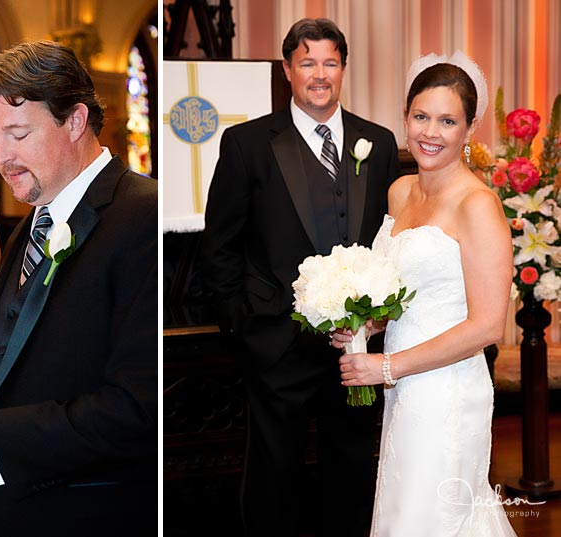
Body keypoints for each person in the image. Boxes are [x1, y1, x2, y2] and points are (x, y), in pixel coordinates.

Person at [0, 40, 158, 536]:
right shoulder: (27, 228)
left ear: (73, 121)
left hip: (89, 512)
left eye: (18, 134)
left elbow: (138, 409)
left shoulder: (142, 215)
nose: (1, 157)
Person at [200, 17, 401, 537]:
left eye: (330, 62)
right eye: (307, 62)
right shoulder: (247, 144)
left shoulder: (376, 144)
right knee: (274, 477)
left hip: (353, 346)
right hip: (275, 344)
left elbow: (388, 239)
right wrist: (243, 329)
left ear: (343, 69)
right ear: (287, 69)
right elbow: (219, 246)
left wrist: (374, 322)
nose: (319, 74)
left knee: (354, 470)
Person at [332, 53, 517, 535]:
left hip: (447, 391)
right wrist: (366, 325)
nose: (430, 133)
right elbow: (403, 294)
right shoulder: (400, 192)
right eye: (421, 116)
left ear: (470, 128)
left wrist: (386, 367)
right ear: (405, 116)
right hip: (404, 391)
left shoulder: (478, 205)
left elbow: (487, 325)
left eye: (448, 120)